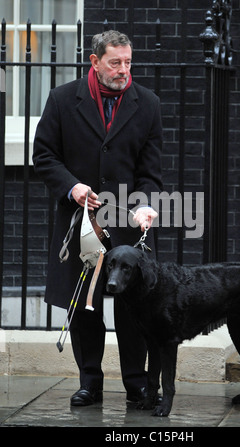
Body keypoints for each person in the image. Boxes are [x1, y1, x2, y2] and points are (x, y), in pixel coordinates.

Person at [33, 30, 163, 406]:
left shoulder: (148, 103)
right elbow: (44, 156)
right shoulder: (61, 99)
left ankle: (137, 383)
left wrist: (145, 205)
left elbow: (150, 172)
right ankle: (90, 381)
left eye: (128, 62)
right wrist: (72, 187)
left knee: (133, 307)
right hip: (81, 222)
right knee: (85, 304)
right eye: (115, 62)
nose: (124, 70)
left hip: (128, 224)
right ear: (94, 62)